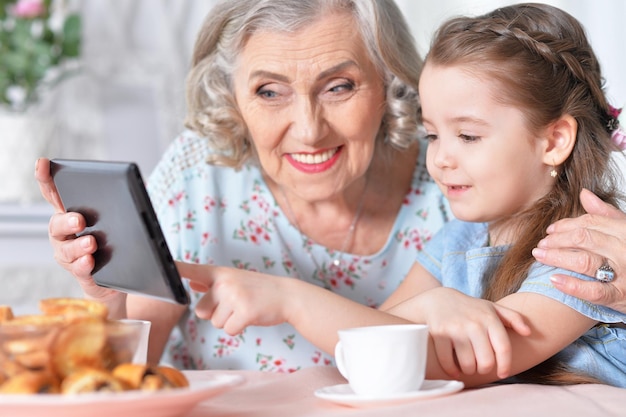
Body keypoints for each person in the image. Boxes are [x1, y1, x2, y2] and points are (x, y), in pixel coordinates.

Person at [35, 0, 530, 374]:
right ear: (231, 99)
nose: (309, 129)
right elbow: (118, 376)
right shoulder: (197, 173)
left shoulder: (453, 172)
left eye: (339, 87)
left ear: (389, 82)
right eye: (269, 92)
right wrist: (107, 298)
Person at [179, 3, 626, 387]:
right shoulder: (456, 241)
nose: (440, 160)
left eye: (468, 136)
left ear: (553, 141)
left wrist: (289, 299)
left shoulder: (587, 253)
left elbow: (471, 360)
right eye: (432, 135)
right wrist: (430, 306)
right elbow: (367, 348)